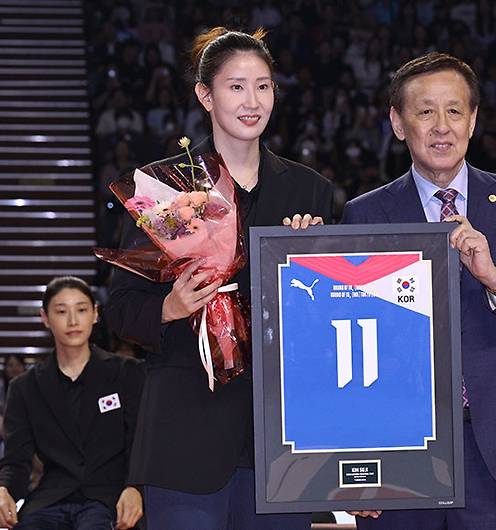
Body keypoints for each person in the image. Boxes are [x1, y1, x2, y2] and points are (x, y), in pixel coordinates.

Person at [105, 27, 333, 530]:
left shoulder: (310, 191)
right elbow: (120, 307)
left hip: (280, 436)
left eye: (264, 85)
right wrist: (170, 307)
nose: (252, 101)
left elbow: (329, 314)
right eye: (236, 86)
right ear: (205, 95)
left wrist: (314, 260)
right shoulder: (164, 187)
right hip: (186, 430)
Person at [342, 52, 496, 529]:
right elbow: (350, 343)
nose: (441, 126)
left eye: (454, 110)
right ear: (398, 124)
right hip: (398, 457)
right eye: (425, 111)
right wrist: (356, 463)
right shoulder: (364, 214)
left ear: (474, 120)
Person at [0, 276, 144, 530]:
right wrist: (4, 489)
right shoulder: (25, 387)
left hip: (110, 499)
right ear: (45, 318)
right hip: (50, 500)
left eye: (81, 309)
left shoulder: (127, 373)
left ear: (95, 314)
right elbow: (16, 460)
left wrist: (135, 487)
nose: (73, 320)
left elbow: (140, 441)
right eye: (61, 311)